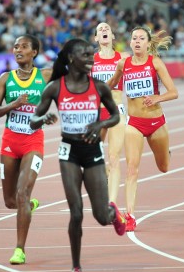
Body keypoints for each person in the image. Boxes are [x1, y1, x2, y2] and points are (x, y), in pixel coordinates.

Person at [30, 38, 126, 272]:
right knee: (75, 212)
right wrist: (42, 119)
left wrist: (99, 124)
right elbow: (33, 120)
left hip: (92, 151)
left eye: (91, 55)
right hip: (69, 151)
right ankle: (76, 266)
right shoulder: (55, 88)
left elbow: (115, 116)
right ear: (72, 58)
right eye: (85, 55)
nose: (91, 59)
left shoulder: (99, 86)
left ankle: (113, 212)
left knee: (100, 216)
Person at [108, 26, 178, 232]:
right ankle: (130, 215)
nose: (137, 41)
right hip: (135, 124)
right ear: (130, 43)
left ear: (148, 43)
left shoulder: (155, 63)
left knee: (163, 167)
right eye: (134, 38)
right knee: (131, 169)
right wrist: (101, 87)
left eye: (141, 38)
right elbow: (112, 83)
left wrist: (158, 97)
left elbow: (174, 92)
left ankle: (166, 152)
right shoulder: (123, 63)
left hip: (156, 123)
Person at [0, 34, 52, 265]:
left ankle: (19, 249)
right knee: (10, 201)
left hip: (33, 142)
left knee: (23, 194)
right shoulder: (5, 78)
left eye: (24, 46)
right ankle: (29, 205)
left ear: (34, 52)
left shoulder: (44, 75)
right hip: (10, 141)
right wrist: (14, 104)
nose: (18, 50)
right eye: (16, 46)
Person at [91, 22, 130, 204]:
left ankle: (111, 203)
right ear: (96, 38)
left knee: (114, 157)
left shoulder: (123, 58)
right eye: (100, 29)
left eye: (107, 28)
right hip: (97, 112)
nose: (104, 30)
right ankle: (105, 172)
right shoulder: (90, 60)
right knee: (93, 156)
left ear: (113, 36)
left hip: (116, 111)